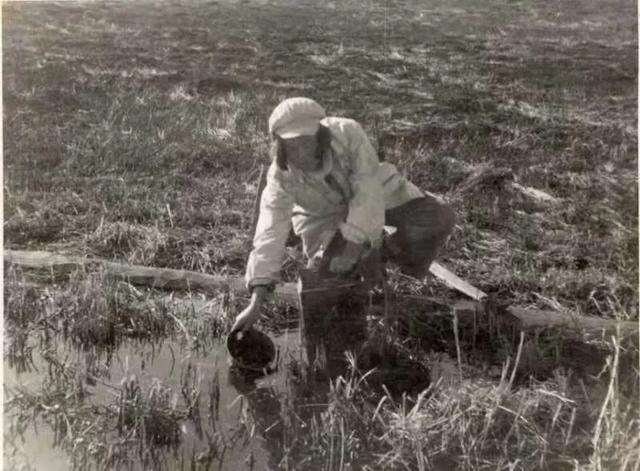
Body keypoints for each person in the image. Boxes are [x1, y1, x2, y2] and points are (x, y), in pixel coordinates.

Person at [231, 97, 455, 334]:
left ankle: (389, 266)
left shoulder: (347, 133)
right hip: (324, 218)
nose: (301, 153)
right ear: (279, 146)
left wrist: (354, 249)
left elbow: (366, 190)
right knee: (327, 282)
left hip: (378, 193)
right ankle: (359, 286)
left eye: (307, 142)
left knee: (438, 217)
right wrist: (257, 299)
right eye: (292, 146)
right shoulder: (279, 179)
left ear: (321, 135)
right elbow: (269, 233)